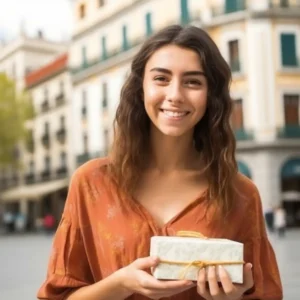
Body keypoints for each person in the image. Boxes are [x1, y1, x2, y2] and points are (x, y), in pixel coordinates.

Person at [37, 25, 282, 300]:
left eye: (192, 82)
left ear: (210, 96)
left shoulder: (241, 194)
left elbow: (265, 293)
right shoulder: (91, 182)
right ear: (141, 88)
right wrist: (120, 284)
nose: (175, 95)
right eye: (161, 79)